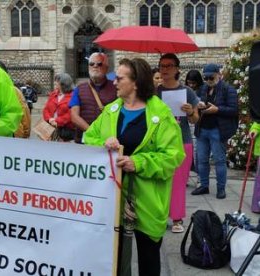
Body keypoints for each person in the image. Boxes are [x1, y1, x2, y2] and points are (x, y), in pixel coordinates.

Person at [84, 58, 185, 276]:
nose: (114, 83)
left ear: (136, 83)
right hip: (114, 202)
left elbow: (173, 156)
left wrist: (137, 163)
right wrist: (103, 143)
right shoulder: (111, 110)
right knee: (117, 259)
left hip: (147, 202)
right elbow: (88, 137)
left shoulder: (161, 115)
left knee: (149, 260)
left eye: (119, 78)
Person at [158, 53, 199, 233]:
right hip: (160, 143)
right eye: (162, 65)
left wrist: (190, 112)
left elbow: (195, 120)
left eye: (168, 66)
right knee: (159, 181)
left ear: (177, 69)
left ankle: (176, 219)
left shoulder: (187, 92)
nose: (164, 69)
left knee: (178, 182)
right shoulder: (155, 92)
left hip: (182, 141)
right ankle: (159, 215)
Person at [191, 63, 238, 199]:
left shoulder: (228, 89)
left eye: (211, 78)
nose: (208, 81)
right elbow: (196, 102)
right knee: (202, 160)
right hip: (203, 128)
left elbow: (233, 110)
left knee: (219, 160)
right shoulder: (203, 88)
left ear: (219, 75)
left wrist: (217, 109)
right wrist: (198, 105)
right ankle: (204, 186)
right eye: (206, 78)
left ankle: (221, 188)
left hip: (218, 130)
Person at [69, 52, 117, 143]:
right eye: (91, 64)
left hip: (107, 142)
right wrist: (92, 132)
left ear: (106, 68)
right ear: (88, 67)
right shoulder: (79, 89)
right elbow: (74, 116)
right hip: (83, 141)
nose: (95, 66)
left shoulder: (115, 88)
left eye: (99, 64)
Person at [0, 58, 31, 138]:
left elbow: (23, 112)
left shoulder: (13, 91)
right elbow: (24, 115)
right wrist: (25, 133)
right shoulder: (13, 90)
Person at [43, 73, 75, 142]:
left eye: (57, 82)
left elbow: (71, 114)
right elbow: (46, 109)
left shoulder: (73, 96)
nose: (55, 83)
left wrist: (57, 121)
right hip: (50, 128)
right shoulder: (53, 94)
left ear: (64, 84)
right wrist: (49, 119)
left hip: (66, 131)